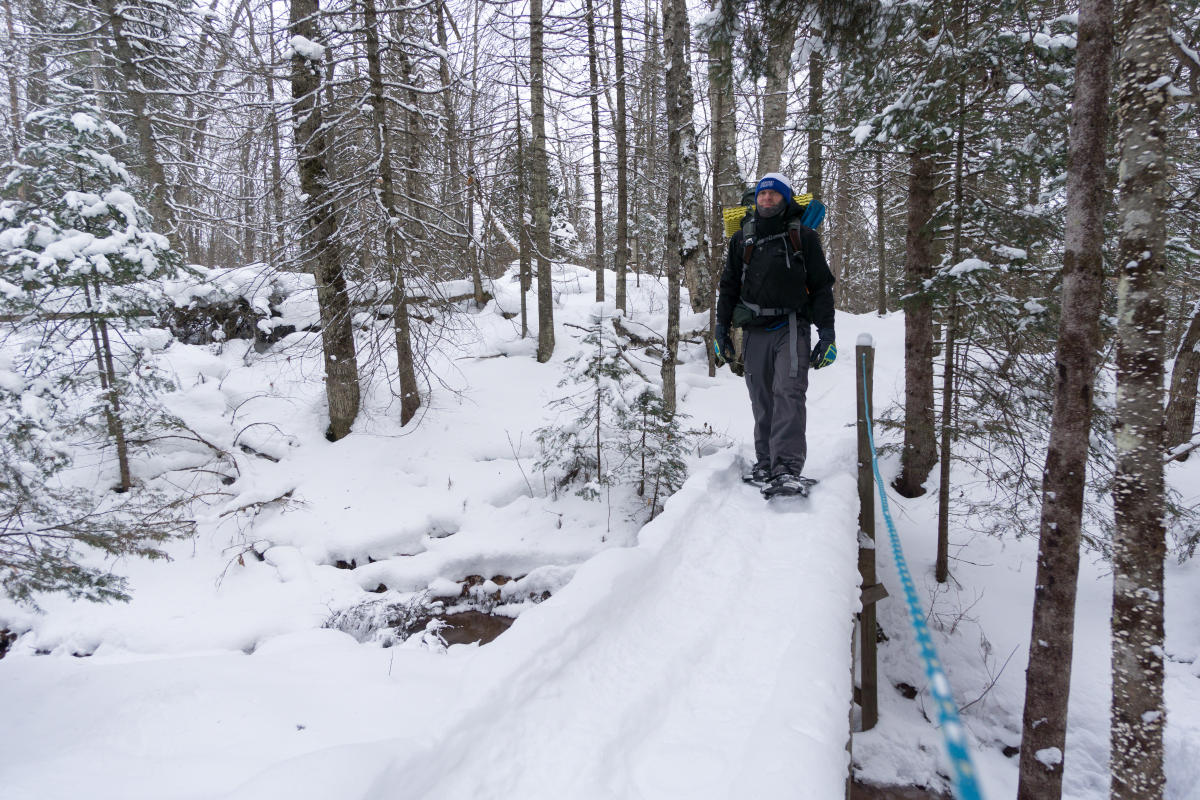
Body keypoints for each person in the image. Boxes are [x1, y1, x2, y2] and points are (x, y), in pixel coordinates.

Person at [714, 172, 837, 496]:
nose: (767, 198)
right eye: (762, 194)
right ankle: (766, 463)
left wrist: (827, 335)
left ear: (785, 198)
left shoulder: (804, 236)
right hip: (755, 330)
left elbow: (822, 287)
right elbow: (728, 288)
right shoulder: (742, 238)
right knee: (762, 396)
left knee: (789, 391)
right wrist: (720, 330)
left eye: (774, 194)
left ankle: (786, 468)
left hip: (792, 326)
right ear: (756, 199)